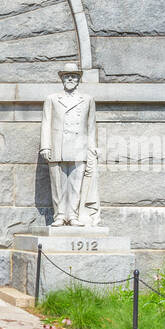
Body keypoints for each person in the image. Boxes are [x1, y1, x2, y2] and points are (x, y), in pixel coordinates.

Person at [39, 63, 100, 226]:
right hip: (57, 146)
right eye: (67, 76)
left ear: (79, 79)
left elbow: (91, 126)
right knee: (57, 184)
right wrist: (45, 146)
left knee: (76, 183)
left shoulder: (88, 99)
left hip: (79, 146)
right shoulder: (52, 99)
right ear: (62, 79)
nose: (70, 78)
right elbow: (46, 123)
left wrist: (92, 147)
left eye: (73, 76)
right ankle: (59, 215)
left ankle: (72, 215)